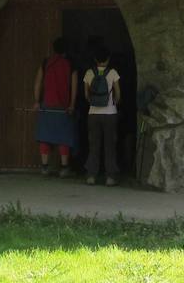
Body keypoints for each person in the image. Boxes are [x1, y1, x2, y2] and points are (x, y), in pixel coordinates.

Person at [33, 37, 77, 176]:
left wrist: (36, 101)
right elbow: (74, 86)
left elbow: (38, 82)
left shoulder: (46, 62)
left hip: (47, 105)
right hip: (63, 106)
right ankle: (64, 168)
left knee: (45, 135)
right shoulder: (71, 63)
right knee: (64, 136)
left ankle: (44, 167)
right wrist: (72, 105)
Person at [83, 44, 121, 185]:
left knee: (94, 145)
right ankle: (110, 177)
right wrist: (113, 103)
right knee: (109, 145)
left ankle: (91, 176)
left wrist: (94, 103)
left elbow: (86, 95)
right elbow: (118, 93)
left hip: (93, 114)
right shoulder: (113, 73)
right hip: (110, 113)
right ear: (108, 58)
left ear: (95, 58)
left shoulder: (89, 73)